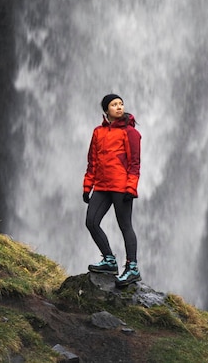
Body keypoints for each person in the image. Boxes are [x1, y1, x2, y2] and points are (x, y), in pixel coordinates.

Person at [83, 93, 141, 287]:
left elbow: (134, 163)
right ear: (106, 110)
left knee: (125, 225)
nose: (119, 107)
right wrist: (87, 186)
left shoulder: (130, 132)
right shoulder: (98, 132)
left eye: (121, 104)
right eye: (114, 104)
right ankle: (109, 260)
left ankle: (132, 268)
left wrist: (131, 188)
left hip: (121, 187)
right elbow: (92, 161)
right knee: (91, 221)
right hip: (101, 185)